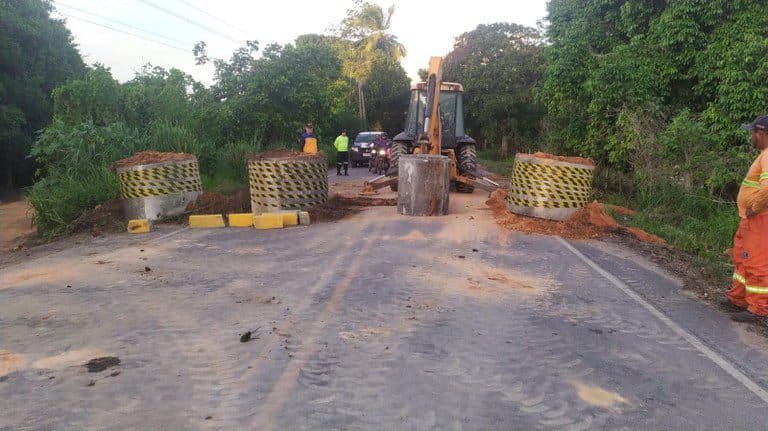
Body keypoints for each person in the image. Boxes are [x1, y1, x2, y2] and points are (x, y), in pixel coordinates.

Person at [726, 115, 768, 322]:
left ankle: (758, 308)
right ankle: (738, 298)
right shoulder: (763, 154)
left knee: (757, 262)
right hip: (750, 219)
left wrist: (754, 208)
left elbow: (767, 187)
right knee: (742, 258)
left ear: (760, 133)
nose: (750, 136)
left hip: (759, 218)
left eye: (752, 132)